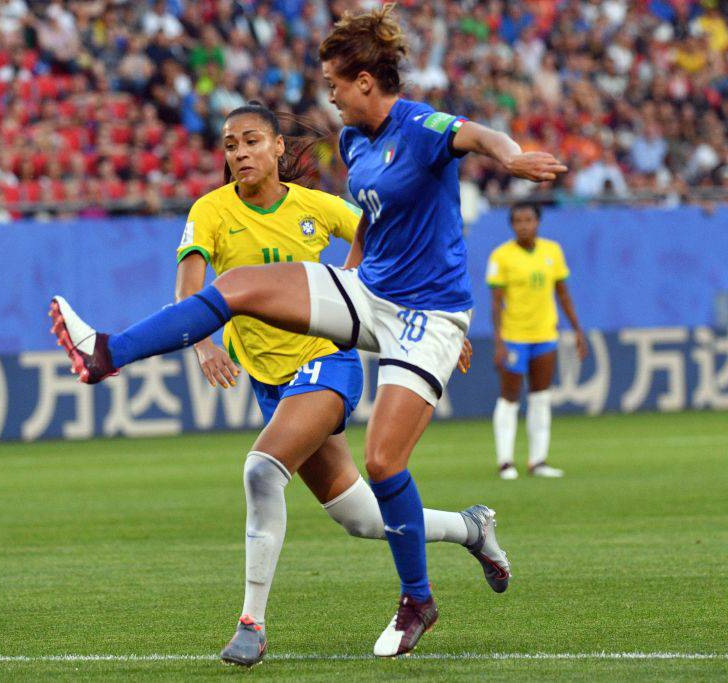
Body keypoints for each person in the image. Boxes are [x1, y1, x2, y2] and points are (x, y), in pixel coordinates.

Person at [49, 6, 565, 658]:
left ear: (366, 83)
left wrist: (515, 158)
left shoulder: (422, 127)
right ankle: (106, 353)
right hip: (371, 292)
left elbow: (482, 135)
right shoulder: (353, 143)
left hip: (429, 315)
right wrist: (349, 283)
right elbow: (372, 225)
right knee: (233, 291)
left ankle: (417, 600)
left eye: (335, 84)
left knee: (382, 463)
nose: (327, 95)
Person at [173, 102, 509, 666]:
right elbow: (191, 277)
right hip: (272, 380)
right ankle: (471, 528)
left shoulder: (314, 206)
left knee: (260, 471)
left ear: (279, 147)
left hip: (327, 361)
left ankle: (252, 622)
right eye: (231, 146)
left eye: (252, 141)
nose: (239, 154)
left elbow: (389, 238)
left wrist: (426, 318)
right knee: (361, 518)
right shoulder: (209, 211)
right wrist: (202, 340)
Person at [487, 203, 587, 479]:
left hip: (545, 335)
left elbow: (563, 294)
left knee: (540, 397)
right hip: (514, 336)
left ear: (538, 222)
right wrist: (499, 342)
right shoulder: (501, 256)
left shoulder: (552, 251)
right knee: (509, 398)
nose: (523, 225)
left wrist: (578, 329)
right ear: (511, 225)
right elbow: (496, 304)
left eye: (528, 219)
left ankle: (537, 460)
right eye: (518, 220)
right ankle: (505, 461)